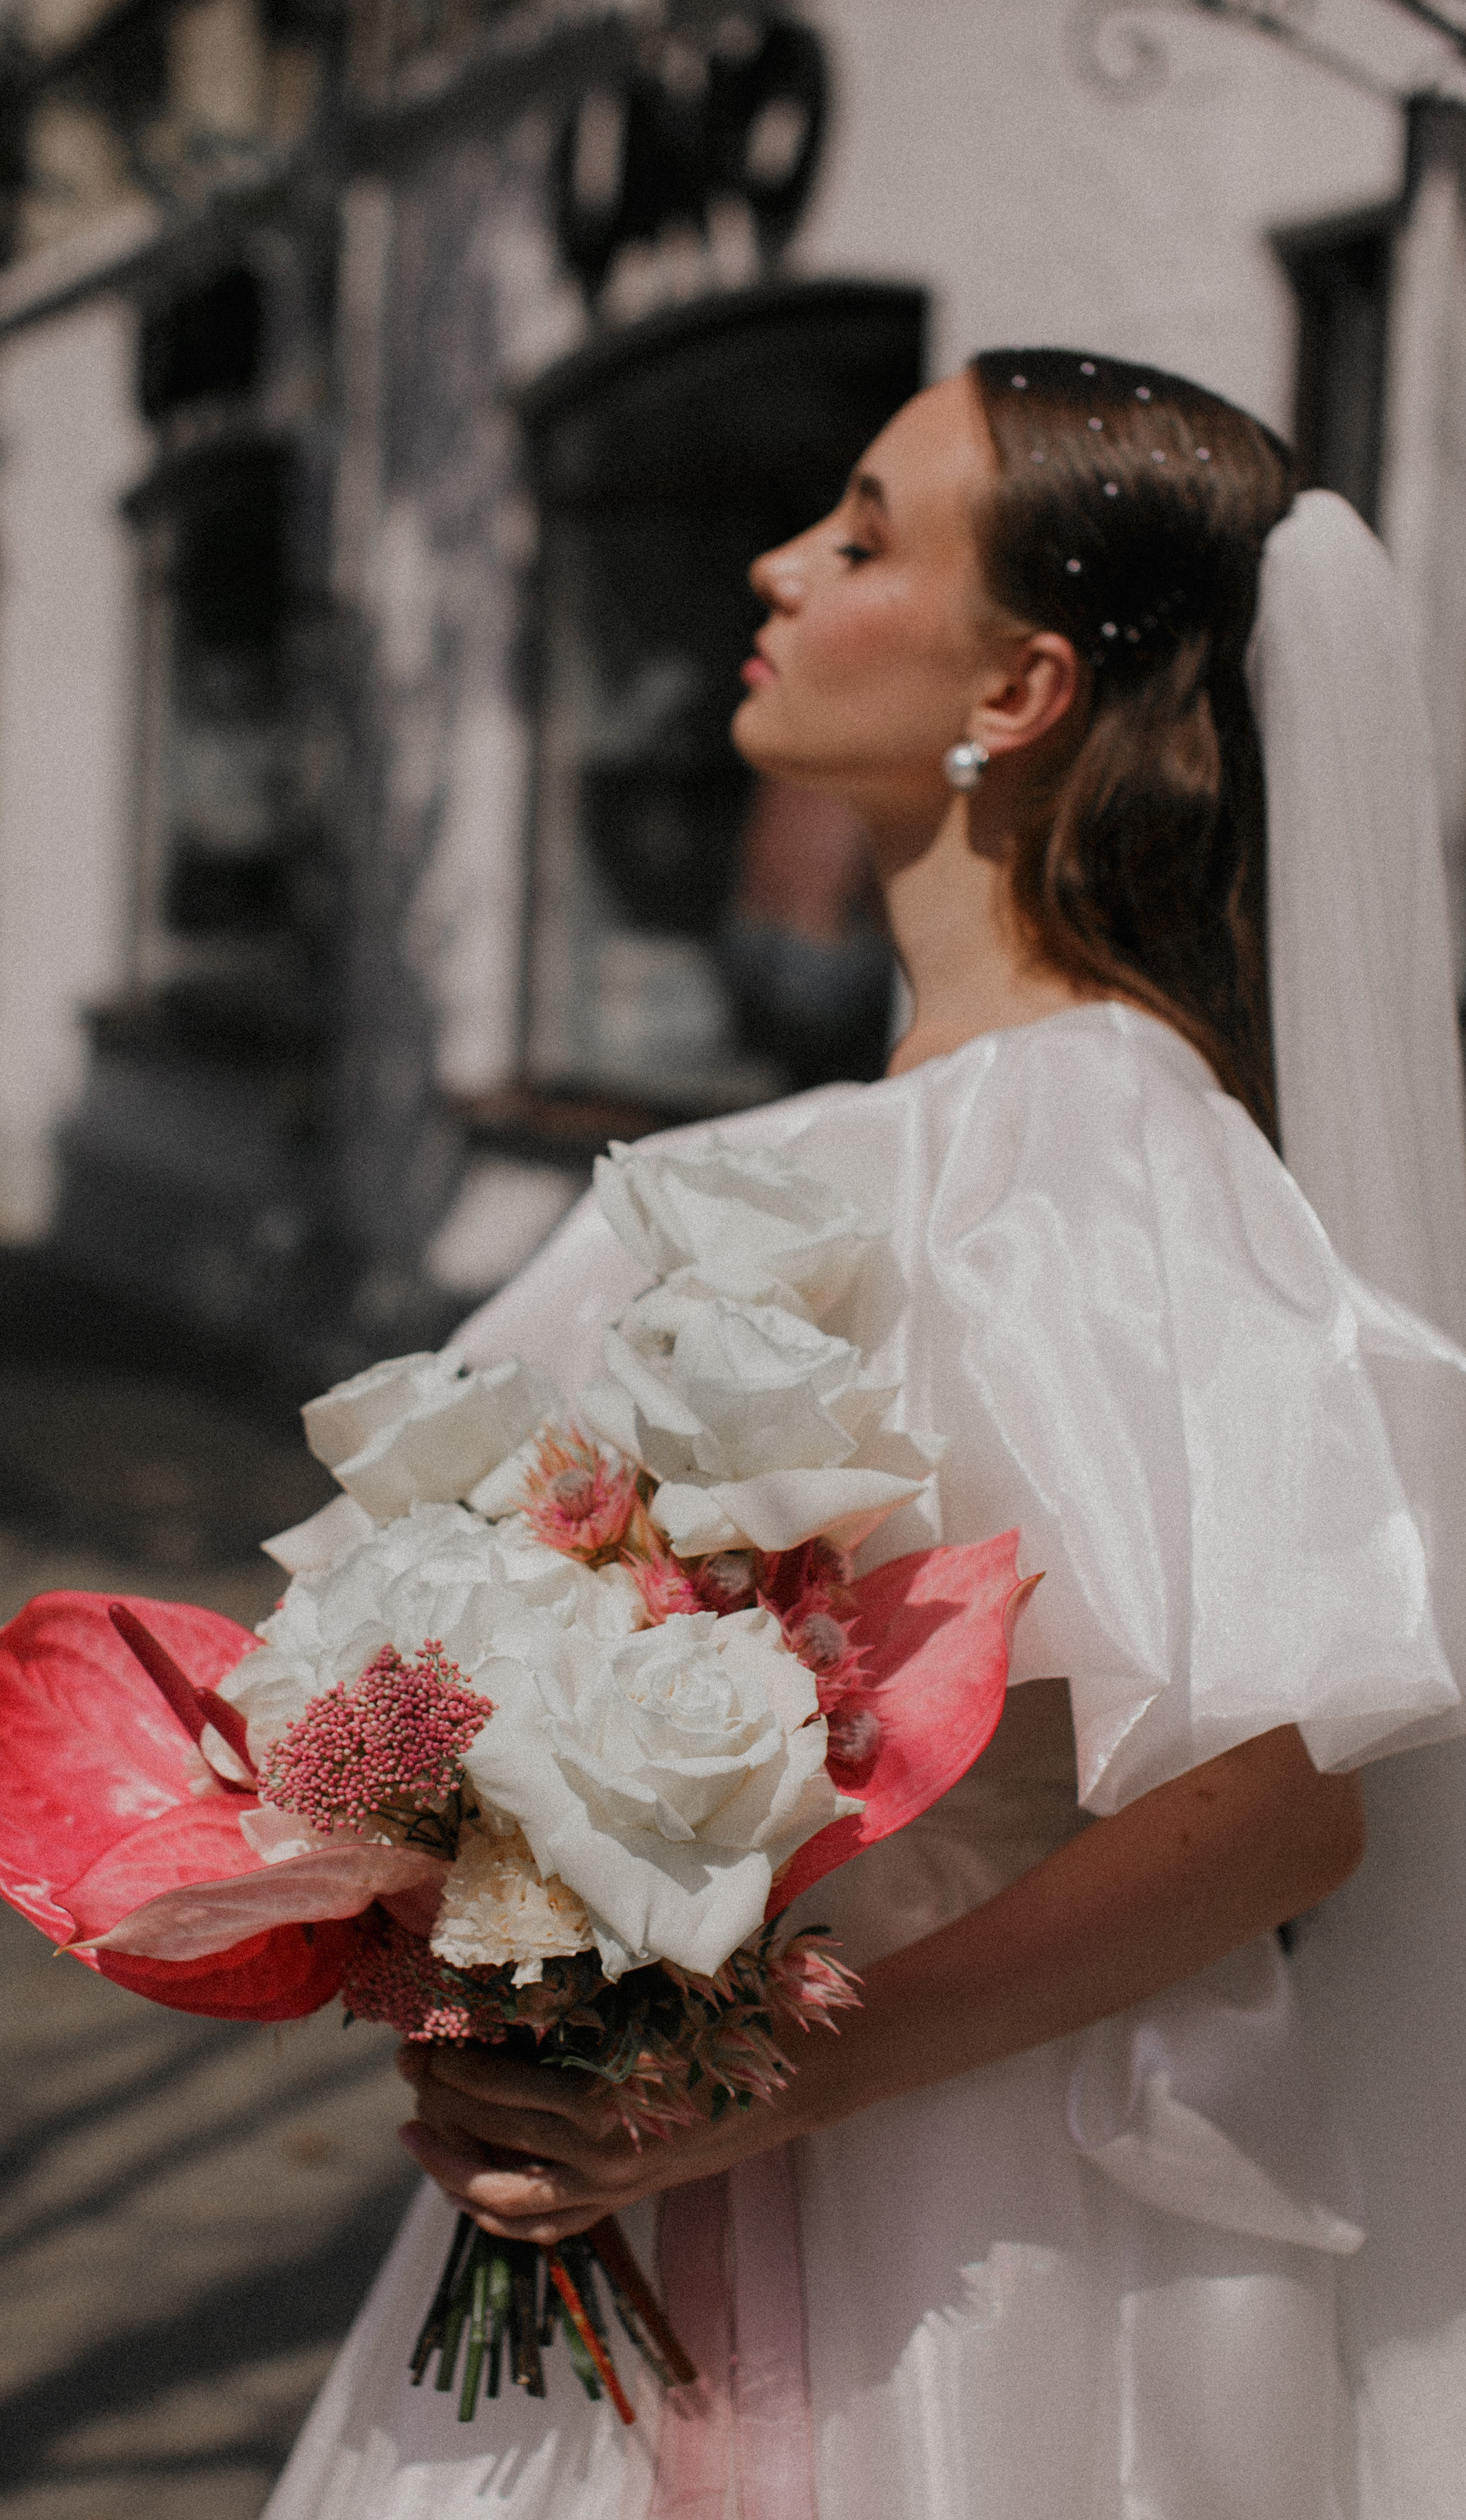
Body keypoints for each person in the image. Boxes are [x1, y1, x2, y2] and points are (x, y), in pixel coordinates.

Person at [262, 351, 1466, 2519]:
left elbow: (1281, 1804)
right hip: (690, 2164)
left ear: (1012, 692)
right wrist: (508, 1993)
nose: (775, 565)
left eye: (857, 534)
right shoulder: (866, 1139)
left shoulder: (1089, 1140)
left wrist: (758, 2090)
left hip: (966, 2222)